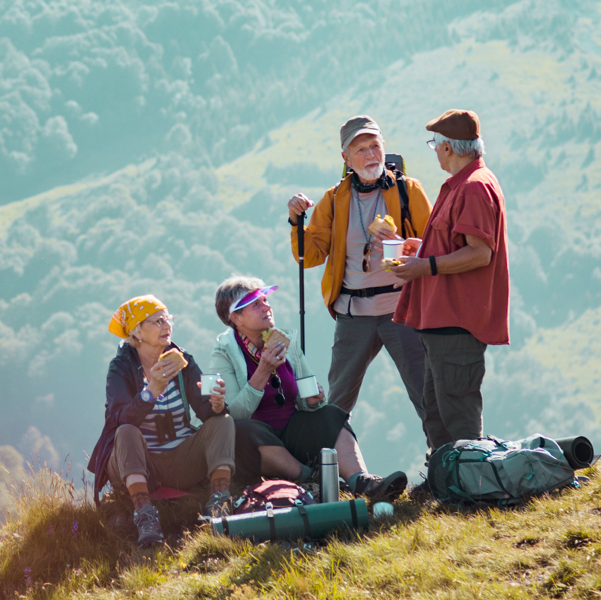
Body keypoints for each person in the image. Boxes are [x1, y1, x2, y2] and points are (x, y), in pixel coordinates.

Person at [205, 276, 408, 502]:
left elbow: (305, 394)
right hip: (258, 443)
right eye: (256, 304)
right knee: (244, 431)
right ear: (236, 317)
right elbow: (231, 415)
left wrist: (313, 401)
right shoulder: (224, 352)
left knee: (331, 414)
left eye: (265, 299)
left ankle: (362, 482)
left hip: (292, 431)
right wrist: (262, 372)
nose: (266, 306)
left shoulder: (284, 341)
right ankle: (312, 479)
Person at [286, 116, 434, 421]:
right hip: (353, 314)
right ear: (346, 158)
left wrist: (400, 243)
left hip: (402, 309)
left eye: (374, 146)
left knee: (426, 397)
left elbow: (435, 250)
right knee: (337, 404)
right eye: (361, 149)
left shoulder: (408, 190)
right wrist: (295, 220)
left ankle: (445, 460)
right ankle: (332, 466)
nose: (370, 155)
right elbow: (309, 257)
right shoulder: (333, 200)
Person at [388, 109, 512, 450]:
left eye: (435, 145)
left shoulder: (473, 188)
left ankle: (472, 486)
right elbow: (457, 245)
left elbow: (479, 253)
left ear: (448, 148)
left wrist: (423, 266)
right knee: (436, 411)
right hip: (440, 319)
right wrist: (422, 249)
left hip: (458, 320)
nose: (435, 151)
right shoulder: (462, 184)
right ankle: (445, 481)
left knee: (457, 412)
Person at [86, 295, 237, 547]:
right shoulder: (120, 368)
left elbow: (204, 410)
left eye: (168, 320)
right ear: (137, 332)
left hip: (181, 458)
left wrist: (217, 405)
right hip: (142, 464)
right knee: (125, 431)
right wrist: (152, 389)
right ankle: (145, 514)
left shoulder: (182, 360)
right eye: (157, 321)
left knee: (223, 421)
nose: (167, 326)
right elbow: (120, 417)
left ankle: (219, 501)